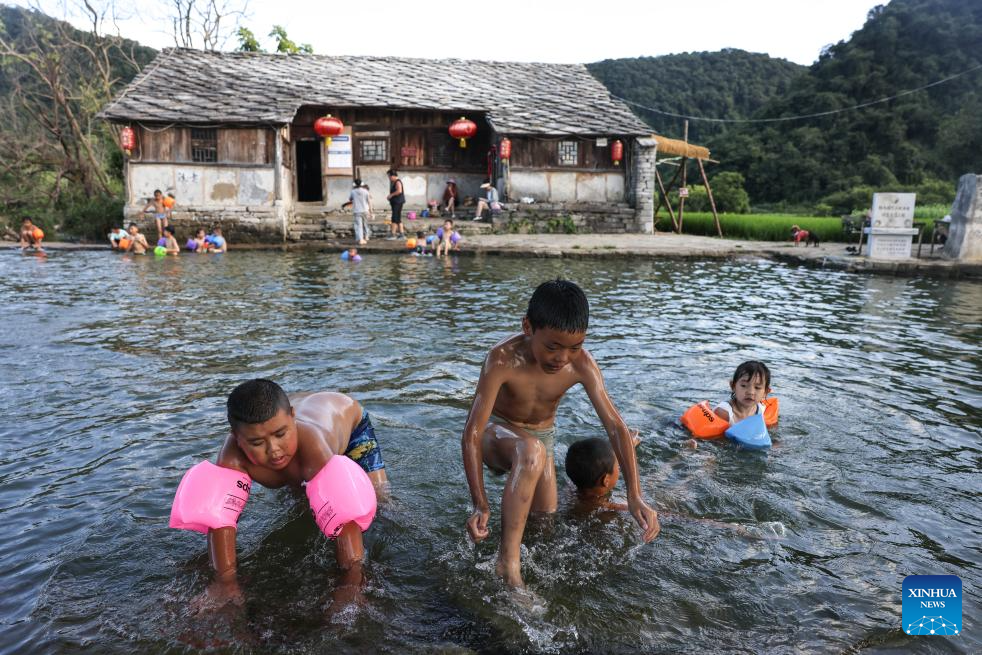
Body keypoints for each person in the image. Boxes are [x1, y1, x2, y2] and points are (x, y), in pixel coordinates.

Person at [461, 279, 659, 587]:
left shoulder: (582, 364)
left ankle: (520, 561)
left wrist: (635, 496)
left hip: (542, 439)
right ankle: (506, 565)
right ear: (528, 327)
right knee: (531, 451)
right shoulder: (501, 358)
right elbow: (472, 432)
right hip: (496, 435)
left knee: (545, 525)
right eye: (552, 347)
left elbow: (616, 426)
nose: (562, 358)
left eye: (574, 347)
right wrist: (479, 502)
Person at [190, 380, 388, 611]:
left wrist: (351, 582)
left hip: (347, 420)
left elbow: (345, 516)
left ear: (292, 418)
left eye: (280, 434)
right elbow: (221, 518)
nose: (273, 449)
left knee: (380, 503)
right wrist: (224, 582)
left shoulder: (313, 448)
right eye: (256, 442)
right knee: (303, 495)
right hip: (296, 412)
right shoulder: (232, 459)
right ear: (236, 436)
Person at [341, 178, 373, 245]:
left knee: (359, 225)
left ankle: (360, 239)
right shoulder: (366, 191)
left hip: (357, 211)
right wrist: (371, 212)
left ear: (354, 184)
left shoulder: (353, 191)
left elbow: (350, 199)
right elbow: (369, 202)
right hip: (365, 210)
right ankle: (366, 237)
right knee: (365, 224)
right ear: (362, 184)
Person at [386, 169, 405, 240]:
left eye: (389, 176)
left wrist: (391, 195)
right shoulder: (394, 182)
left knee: (394, 218)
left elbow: (399, 191)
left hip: (398, 202)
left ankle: (393, 234)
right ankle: (402, 234)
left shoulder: (397, 182)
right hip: (396, 202)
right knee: (398, 218)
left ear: (393, 176)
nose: (389, 178)